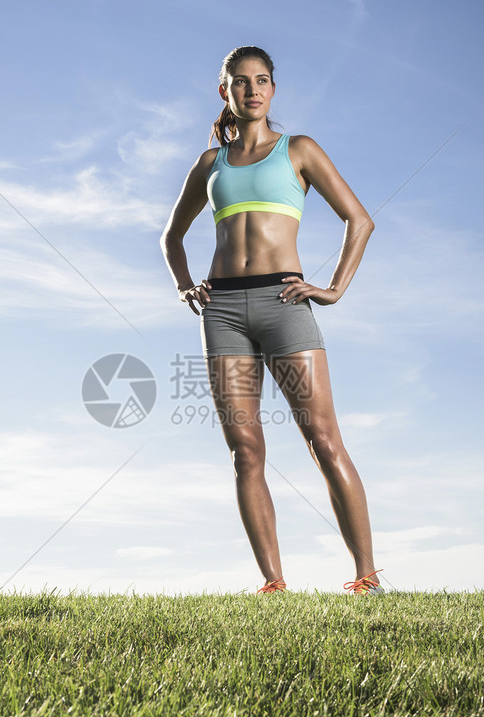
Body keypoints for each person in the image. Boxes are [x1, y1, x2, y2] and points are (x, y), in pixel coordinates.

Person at [160, 46, 383, 596]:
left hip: (285, 307)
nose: (252, 90)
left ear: (272, 91)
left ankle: (367, 576)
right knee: (245, 450)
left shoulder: (299, 150)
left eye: (262, 81)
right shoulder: (209, 165)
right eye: (241, 82)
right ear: (225, 92)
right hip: (224, 314)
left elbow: (360, 220)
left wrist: (332, 289)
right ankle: (273, 582)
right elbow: (172, 237)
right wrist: (186, 286)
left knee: (323, 439)